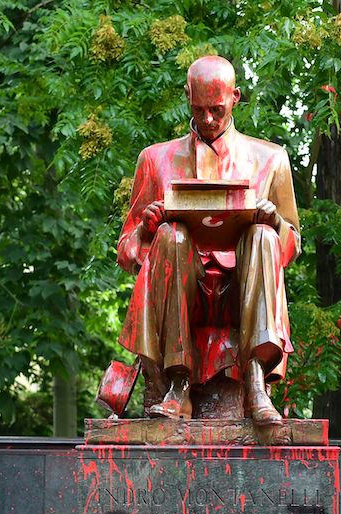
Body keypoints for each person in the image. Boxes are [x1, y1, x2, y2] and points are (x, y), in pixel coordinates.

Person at [116, 55, 300, 427]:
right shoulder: (155, 160)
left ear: (236, 97)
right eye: (199, 109)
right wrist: (145, 230)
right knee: (172, 235)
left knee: (263, 235)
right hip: (181, 288)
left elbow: (291, 246)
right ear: (187, 96)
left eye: (217, 109)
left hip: (244, 288)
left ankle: (255, 383)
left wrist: (275, 222)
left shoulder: (270, 159)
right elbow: (126, 252)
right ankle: (178, 385)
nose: (209, 119)